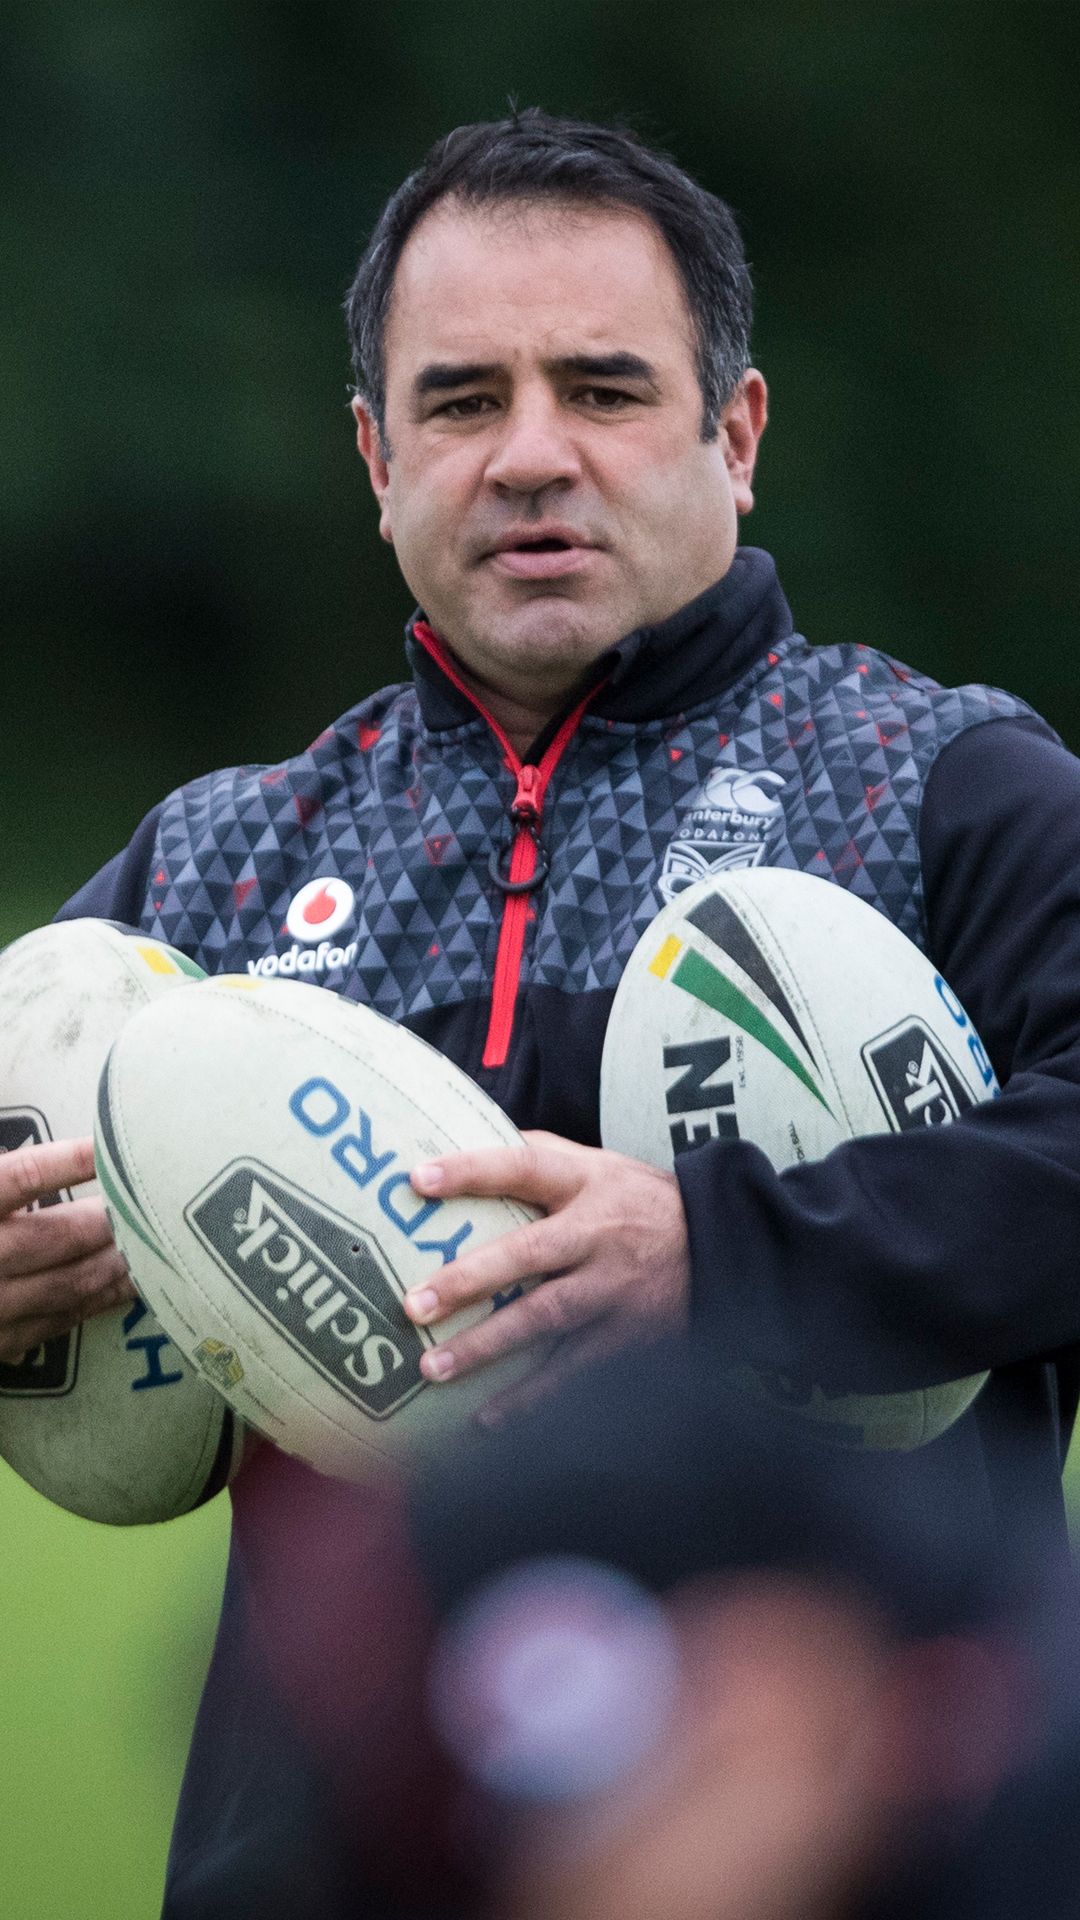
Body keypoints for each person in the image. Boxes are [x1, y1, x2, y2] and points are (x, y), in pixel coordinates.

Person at [4, 106, 1080, 1912]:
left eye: (601, 389)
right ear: (375, 454)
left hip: (866, 1844)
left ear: (735, 432)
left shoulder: (945, 789)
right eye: (459, 402)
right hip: (340, 1850)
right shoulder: (217, 868)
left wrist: (723, 1246)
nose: (528, 456)